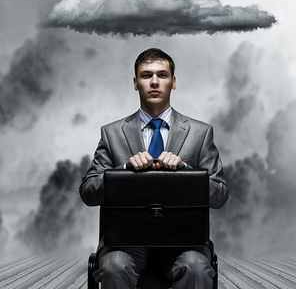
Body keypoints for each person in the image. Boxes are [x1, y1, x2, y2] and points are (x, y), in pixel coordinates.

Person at [79, 48, 229, 289]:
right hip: (125, 241)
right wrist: (123, 168)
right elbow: (88, 192)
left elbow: (220, 195)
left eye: (162, 75)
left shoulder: (201, 133)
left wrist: (187, 170)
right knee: (114, 266)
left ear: (174, 82)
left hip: (184, 241)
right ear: (135, 83)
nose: (155, 82)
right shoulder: (111, 133)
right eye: (146, 75)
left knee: (196, 267)